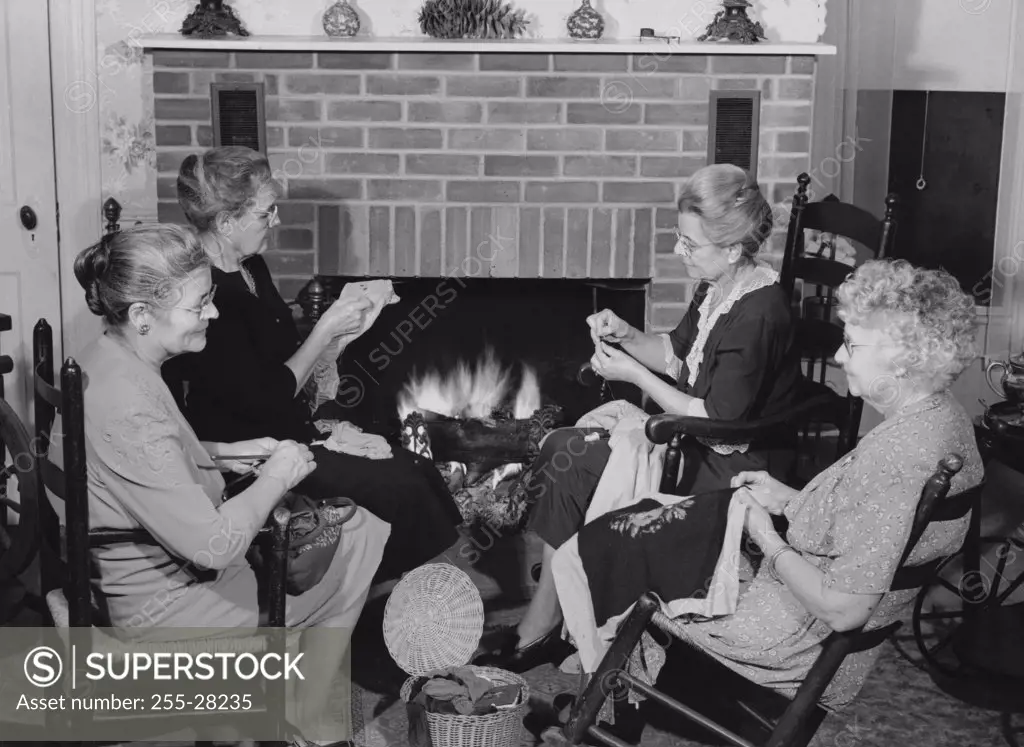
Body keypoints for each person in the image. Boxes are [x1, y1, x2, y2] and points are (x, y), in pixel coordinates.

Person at [551, 259, 983, 713]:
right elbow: (873, 524)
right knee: (641, 521)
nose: (837, 357)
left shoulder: (900, 458)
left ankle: (607, 707)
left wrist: (766, 535)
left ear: (904, 358)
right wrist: (790, 499)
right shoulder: (940, 421)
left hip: (787, 635)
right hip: (792, 603)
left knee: (598, 551)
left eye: (851, 344)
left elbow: (843, 609)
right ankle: (621, 688)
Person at [52, 224, 391, 747]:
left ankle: (299, 727)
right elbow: (215, 546)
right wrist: (279, 472)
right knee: (361, 532)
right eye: (199, 303)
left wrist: (222, 454)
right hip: (161, 608)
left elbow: (131, 465)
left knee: (337, 526)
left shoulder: (106, 358)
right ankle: (305, 738)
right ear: (141, 313)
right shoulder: (130, 404)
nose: (212, 314)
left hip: (125, 571)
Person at [476, 163, 803, 672]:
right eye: (680, 238)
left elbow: (718, 416)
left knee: (578, 456)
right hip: (692, 436)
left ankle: (545, 628)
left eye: (690, 244)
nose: (679, 252)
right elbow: (675, 354)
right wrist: (626, 334)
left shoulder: (760, 311)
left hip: (728, 459)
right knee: (565, 446)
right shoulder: (718, 286)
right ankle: (553, 616)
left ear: (735, 248)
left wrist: (633, 375)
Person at [162, 146, 463, 582]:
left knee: (414, 466)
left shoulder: (250, 266)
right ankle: (398, 596)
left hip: (289, 428)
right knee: (401, 483)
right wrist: (325, 329)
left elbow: (282, 355)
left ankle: (421, 586)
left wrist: (342, 330)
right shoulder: (212, 297)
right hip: (252, 455)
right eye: (267, 213)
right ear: (227, 224)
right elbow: (266, 398)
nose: (277, 220)